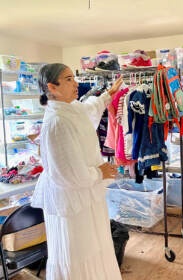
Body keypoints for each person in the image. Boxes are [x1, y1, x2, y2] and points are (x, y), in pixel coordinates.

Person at [31, 63, 123, 279]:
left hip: (86, 193)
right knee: (78, 252)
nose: (77, 83)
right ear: (52, 87)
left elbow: (90, 108)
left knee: (95, 246)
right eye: (69, 79)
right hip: (72, 199)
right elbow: (67, 174)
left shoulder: (71, 109)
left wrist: (108, 95)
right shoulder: (56, 123)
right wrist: (101, 172)